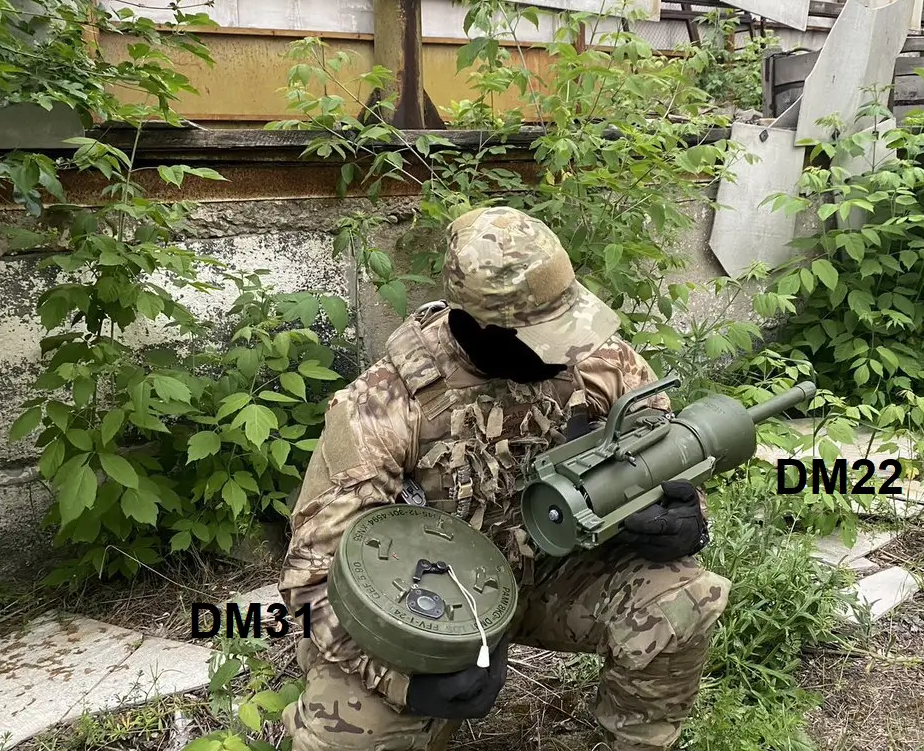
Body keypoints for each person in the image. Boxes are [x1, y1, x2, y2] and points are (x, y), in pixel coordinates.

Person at [278, 206, 731, 751]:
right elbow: (313, 582)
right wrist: (407, 684)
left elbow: (667, 457)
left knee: (684, 596)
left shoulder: (601, 365)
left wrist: (687, 517)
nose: (570, 351)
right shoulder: (380, 409)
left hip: (559, 577)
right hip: (429, 608)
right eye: (547, 338)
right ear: (480, 327)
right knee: (346, 735)